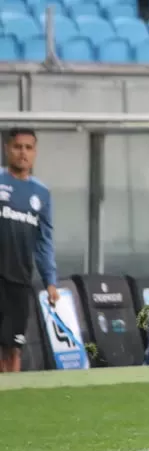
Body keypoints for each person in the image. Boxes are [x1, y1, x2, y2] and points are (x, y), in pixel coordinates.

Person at [0, 128, 59, 373]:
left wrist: (50, 281)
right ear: (7, 149)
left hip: (20, 280)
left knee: (14, 347)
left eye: (28, 148)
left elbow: (44, 241)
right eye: (17, 147)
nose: (23, 153)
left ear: (35, 152)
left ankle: (11, 393)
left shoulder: (41, 193)